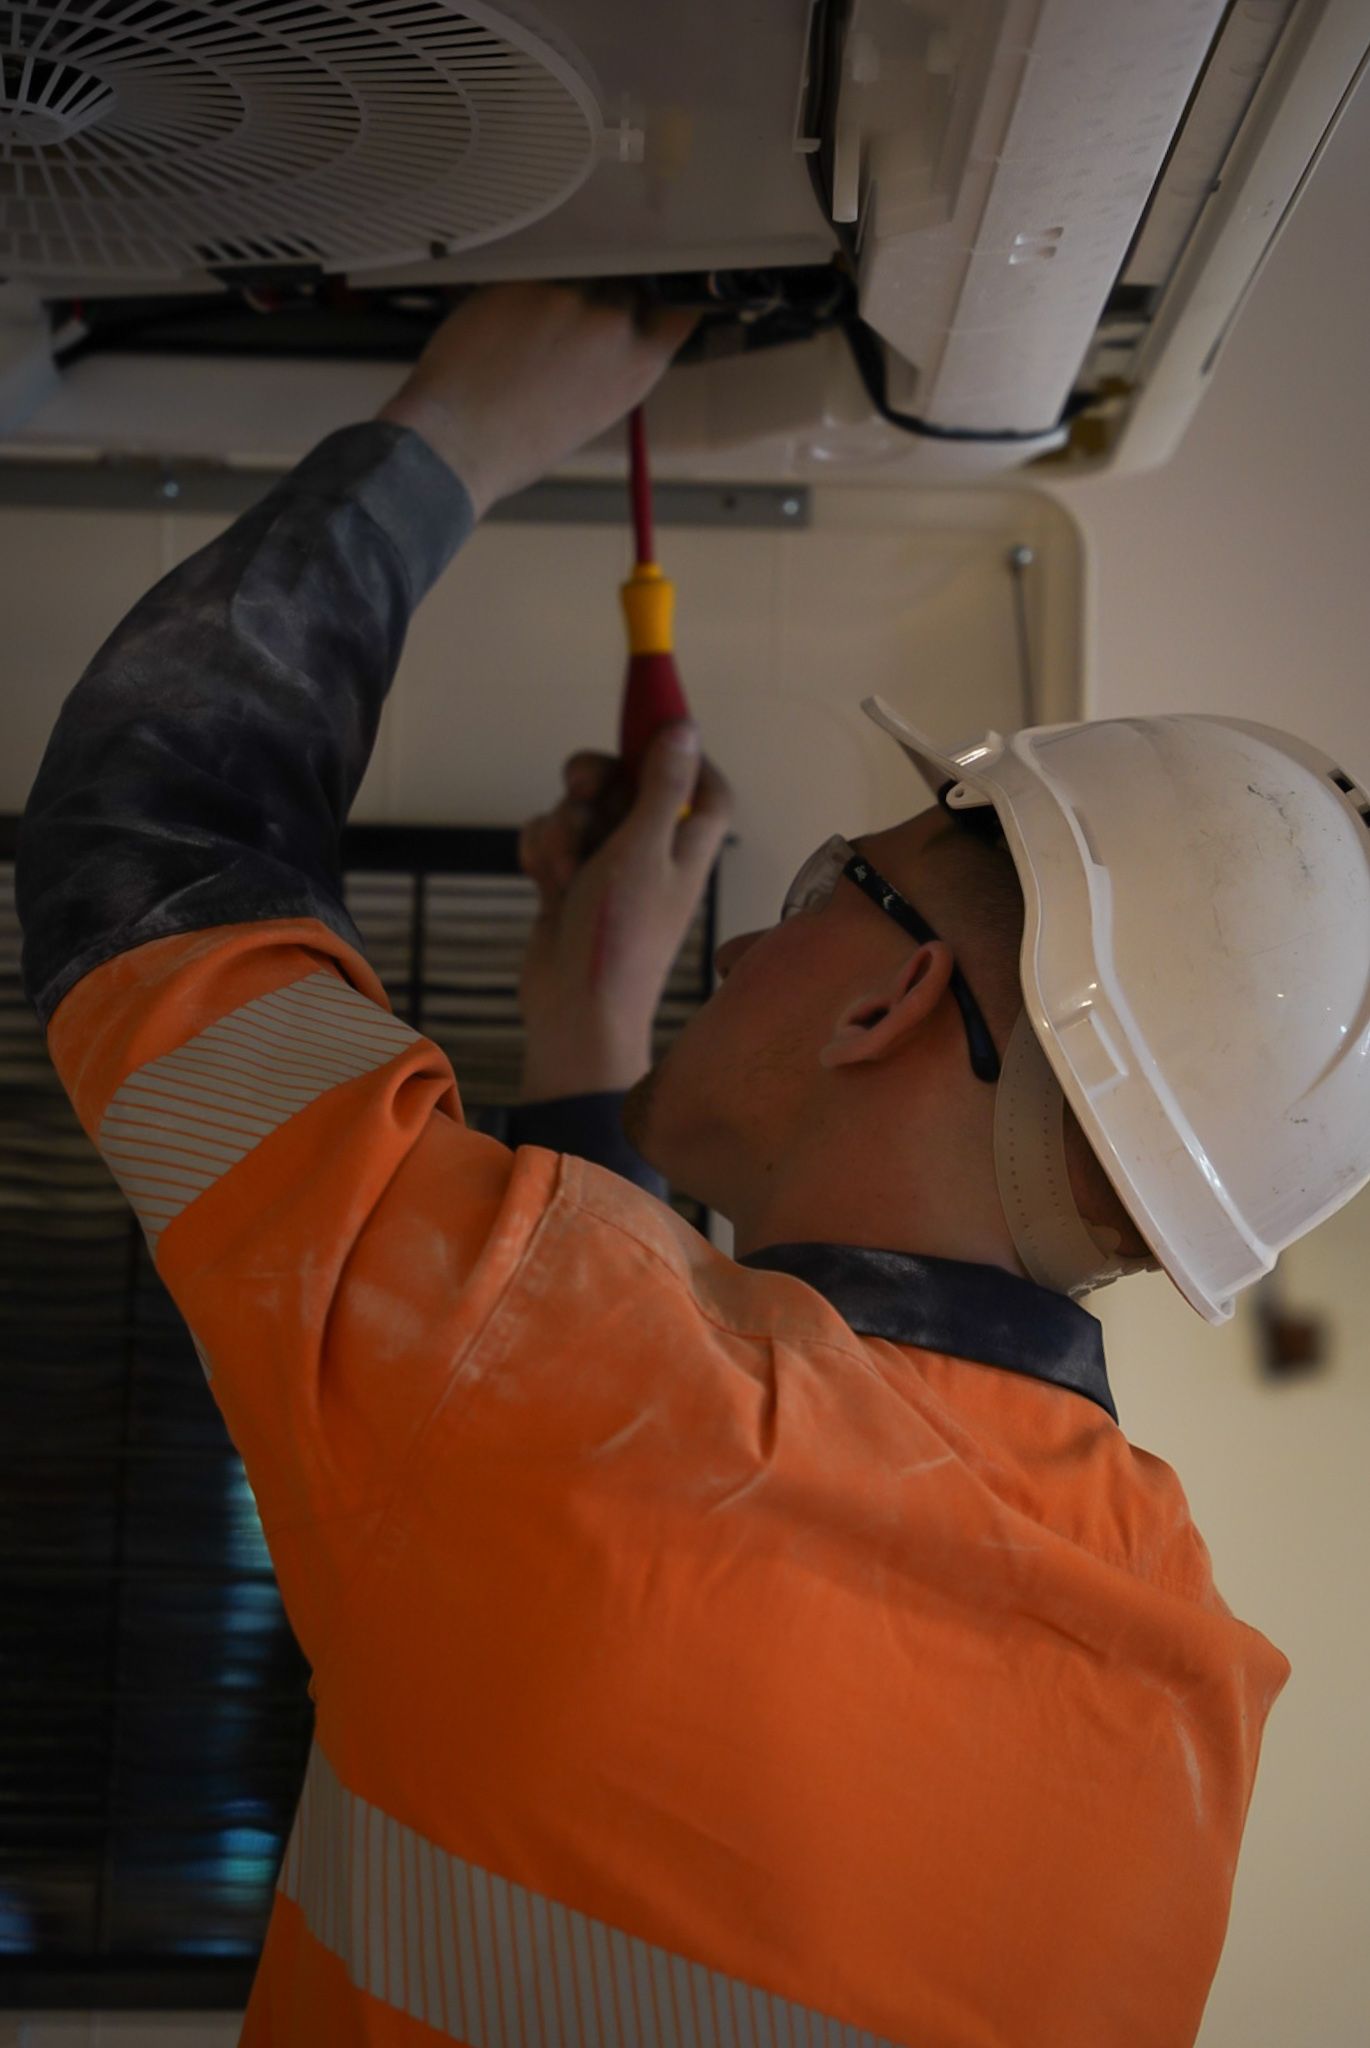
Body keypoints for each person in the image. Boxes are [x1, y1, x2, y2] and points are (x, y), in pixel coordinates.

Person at [17, 283, 1367, 2047]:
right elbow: (657, 1505)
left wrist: (460, 432)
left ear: (894, 994)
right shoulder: (1185, 1686)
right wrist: (588, 1027)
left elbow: (152, 855)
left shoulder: (566, 1394)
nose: (749, 946)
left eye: (821, 888)